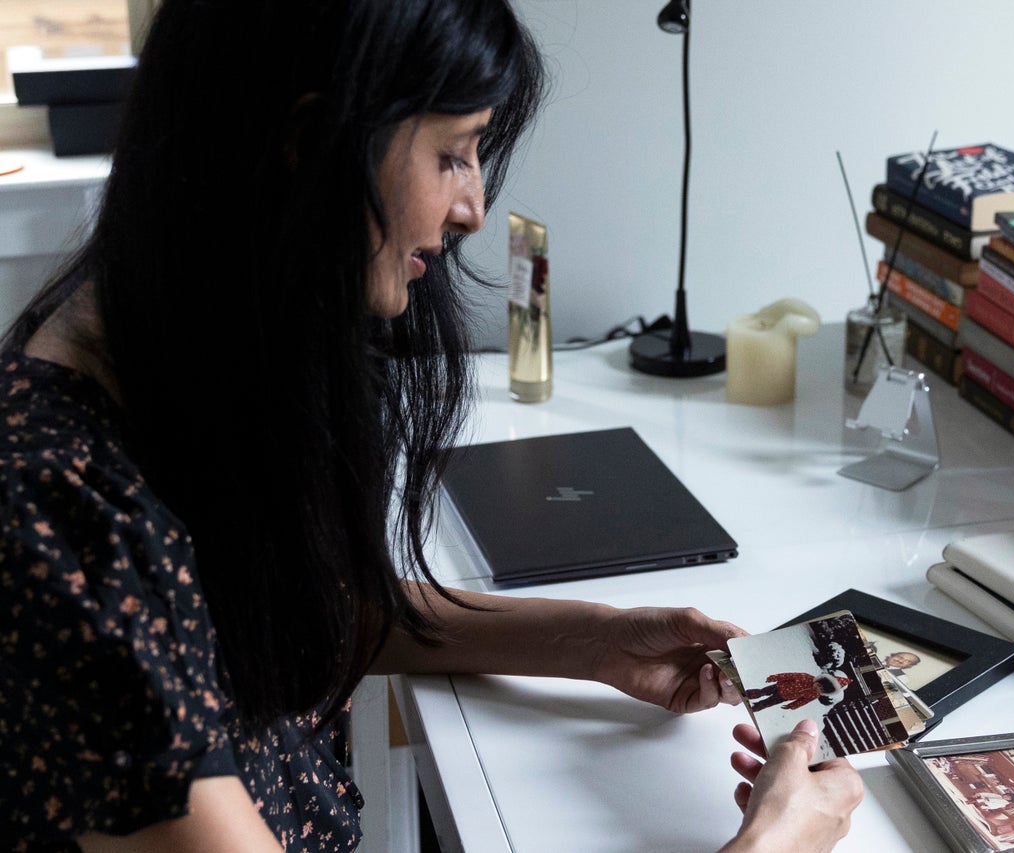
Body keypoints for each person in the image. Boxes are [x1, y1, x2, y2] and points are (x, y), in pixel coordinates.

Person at [0, 1, 863, 852]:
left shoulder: (160, 362)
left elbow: (289, 621)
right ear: (310, 145)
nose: (474, 208)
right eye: (453, 155)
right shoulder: (58, 522)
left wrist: (594, 639)